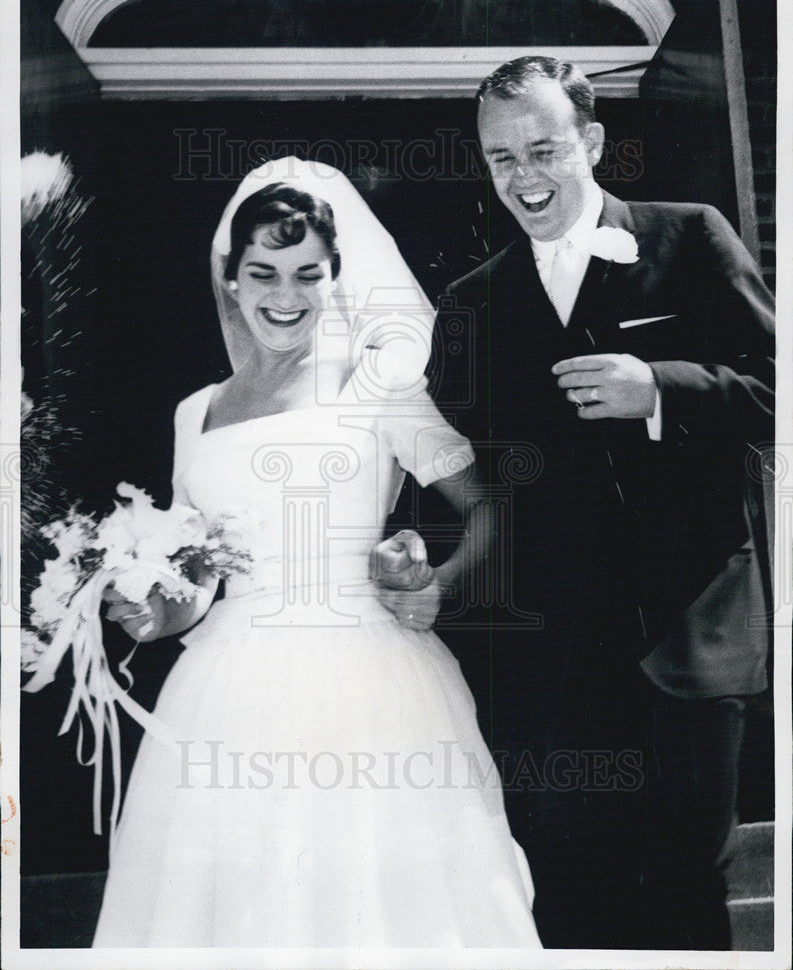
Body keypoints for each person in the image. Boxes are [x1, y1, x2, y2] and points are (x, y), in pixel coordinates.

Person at [372, 56, 775, 950]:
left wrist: (661, 385)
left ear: (590, 142)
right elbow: (473, 489)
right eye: (500, 158)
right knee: (568, 904)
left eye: (542, 149)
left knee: (683, 898)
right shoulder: (473, 302)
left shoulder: (688, 236)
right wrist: (425, 565)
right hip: (550, 675)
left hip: (688, 641)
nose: (523, 177)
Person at [91, 158, 542, 949]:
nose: (284, 295)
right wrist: (151, 612)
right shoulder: (195, 412)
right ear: (230, 280)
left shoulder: (379, 385)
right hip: (221, 691)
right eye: (262, 273)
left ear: (338, 280)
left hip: (365, 682)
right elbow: (199, 576)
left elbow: (489, 512)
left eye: (307, 274)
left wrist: (435, 582)